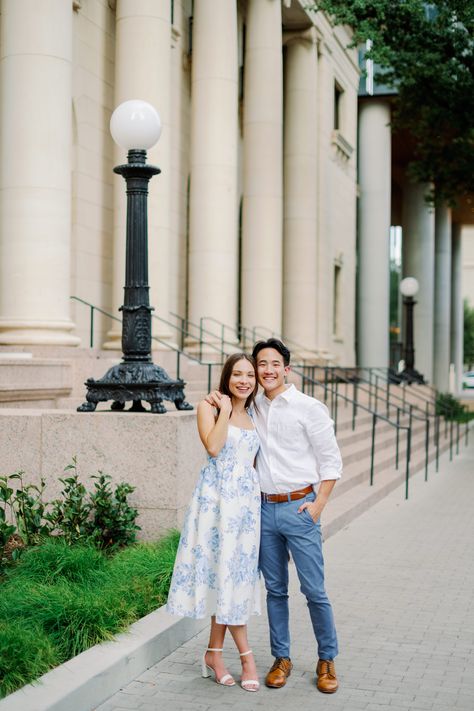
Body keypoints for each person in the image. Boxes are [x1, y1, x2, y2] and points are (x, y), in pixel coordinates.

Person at [207, 338, 342, 694]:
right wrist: (217, 401)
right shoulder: (252, 408)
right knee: (275, 591)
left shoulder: (309, 408)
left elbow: (331, 462)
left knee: (314, 590)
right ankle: (281, 658)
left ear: (287, 368)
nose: (266, 370)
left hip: (300, 509)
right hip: (263, 510)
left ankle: (327, 660)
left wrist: (317, 506)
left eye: (273, 364)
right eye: (260, 364)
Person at [166, 353, 261, 692]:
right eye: (237, 374)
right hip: (216, 505)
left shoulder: (255, 413)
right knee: (224, 577)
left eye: (250, 375)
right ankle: (246, 657)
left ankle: (213, 653)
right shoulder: (207, 407)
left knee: (231, 579)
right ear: (227, 377)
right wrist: (223, 411)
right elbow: (214, 447)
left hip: (246, 511)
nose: (245, 380)